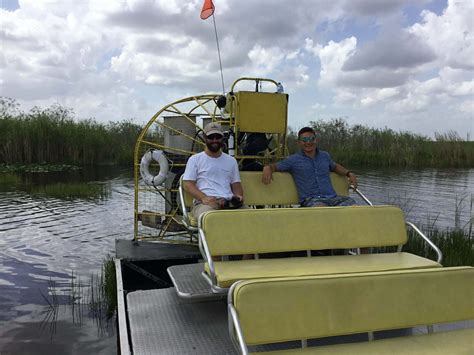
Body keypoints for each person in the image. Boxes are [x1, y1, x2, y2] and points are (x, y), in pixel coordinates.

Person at [262, 127, 358, 207]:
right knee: (321, 209)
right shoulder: (293, 160)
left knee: (354, 206)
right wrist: (267, 168)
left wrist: (349, 173)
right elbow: (275, 166)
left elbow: (334, 166)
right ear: (299, 142)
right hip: (311, 200)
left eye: (311, 139)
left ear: (316, 140)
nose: (308, 142)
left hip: (333, 198)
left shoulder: (325, 156)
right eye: (304, 140)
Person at [183, 122, 244, 220]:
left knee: (251, 216)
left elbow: (236, 186)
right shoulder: (194, 159)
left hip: (228, 203)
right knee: (211, 218)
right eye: (211, 137)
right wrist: (204, 198)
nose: (214, 140)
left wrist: (238, 196)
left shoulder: (231, 161)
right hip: (204, 204)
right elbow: (187, 184)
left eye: (218, 137)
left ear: (222, 138)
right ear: (205, 137)